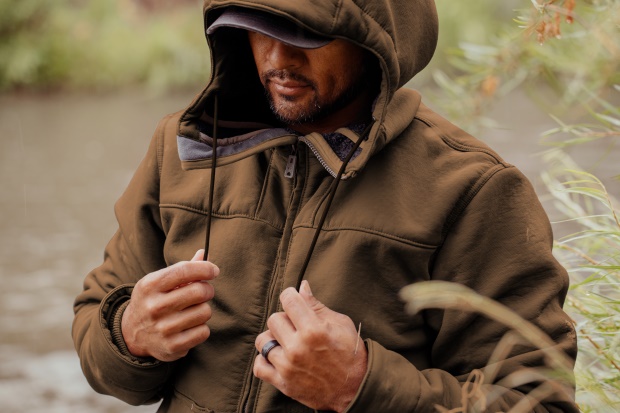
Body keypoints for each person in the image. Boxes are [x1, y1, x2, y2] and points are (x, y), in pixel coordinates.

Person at [72, 0, 579, 412]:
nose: (276, 58)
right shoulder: (181, 147)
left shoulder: (474, 190)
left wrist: (362, 385)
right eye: (255, 28)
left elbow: (536, 403)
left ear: (375, 41)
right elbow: (101, 347)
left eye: (305, 34)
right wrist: (129, 334)